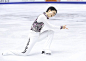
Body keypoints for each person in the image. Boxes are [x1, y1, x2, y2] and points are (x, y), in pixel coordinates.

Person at [2, 6, 68, 56]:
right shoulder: (42, 16)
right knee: (25, 53)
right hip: (33, 36)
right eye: (53, 13)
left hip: (38, 35)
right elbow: (50, 26)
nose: (53, 15)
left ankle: (46, 49)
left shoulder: (44, 17)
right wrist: (61, 27)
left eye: (54, 14)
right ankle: (9, 51)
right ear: (49, 10)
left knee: (51, 32)